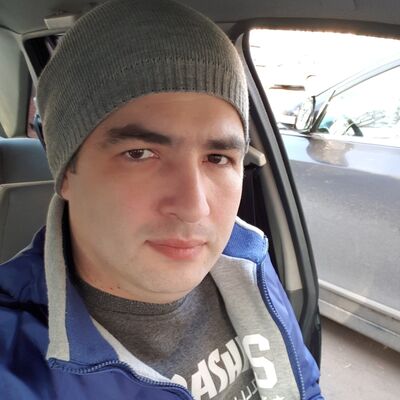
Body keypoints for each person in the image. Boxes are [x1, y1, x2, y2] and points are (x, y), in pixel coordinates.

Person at [0, 0, 324, 399]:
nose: (194, 208)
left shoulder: (245, 258)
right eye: (139, 154)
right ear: (65, 171)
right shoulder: (15, 358)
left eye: (218, 158)